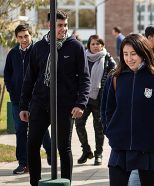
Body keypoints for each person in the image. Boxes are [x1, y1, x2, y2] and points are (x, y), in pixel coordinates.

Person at [20, 10, 90, 186]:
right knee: (32, 144)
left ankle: (66, 183)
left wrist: (80, 103)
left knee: (63, 148)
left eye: (65, 25)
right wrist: (24, 105)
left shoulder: (75, 47)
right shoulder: (39, 47)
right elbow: (30, 78)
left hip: (65, 105)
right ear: (50, 25)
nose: (63, 29)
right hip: (40, 103)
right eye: (59, 25)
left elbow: (84, 78)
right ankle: (34, 183)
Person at [101, 33, 154, 186]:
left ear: (143, 53)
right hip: (120, 146)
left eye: (133, 54)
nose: (129, 59)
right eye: (125, 54)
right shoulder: (114, 78)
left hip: (148, 147)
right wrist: (110, 132)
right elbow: (106, 110)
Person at [3, 23, 52, 175]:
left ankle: (51, 154)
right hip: (18, 100)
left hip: (36, 99)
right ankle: (23, 163)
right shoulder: (12, 54)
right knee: (20, 131)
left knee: (41, 130)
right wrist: (12, 91)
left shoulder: (38, 51)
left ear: (31, 35)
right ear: (16, 38)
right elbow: (8, 75)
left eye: (26, 36)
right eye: (20, 37)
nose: (23, 39)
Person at [75, 35, 116, 166]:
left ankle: (98, 154)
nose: (95, 46)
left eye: (98, 43)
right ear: (89, 46)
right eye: (93, 44)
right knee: (79, 124)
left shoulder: (108, 60)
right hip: (84, 98)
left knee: (99, 128)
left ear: (102, 45)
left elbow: (113, 79)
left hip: (100, 99)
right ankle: (86, 150)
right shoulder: (82, 58)